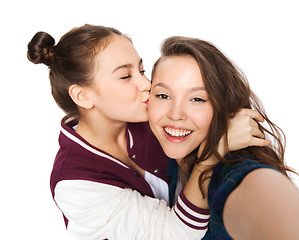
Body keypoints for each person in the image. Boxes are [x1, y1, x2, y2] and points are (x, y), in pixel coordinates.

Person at [27, 24, 268, 240]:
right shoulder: (75, 183)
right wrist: (214, 151)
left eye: (141, 71)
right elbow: (176, 234)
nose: (146, 84)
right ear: (83, 95)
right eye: (125, 76)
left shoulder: (148, 117)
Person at [148, 36, 299, 240]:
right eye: (163, 96)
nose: (176, 114)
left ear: (222, 105)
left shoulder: (233, 171)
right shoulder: (159, 158)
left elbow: (270, 206)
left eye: (197, 99)